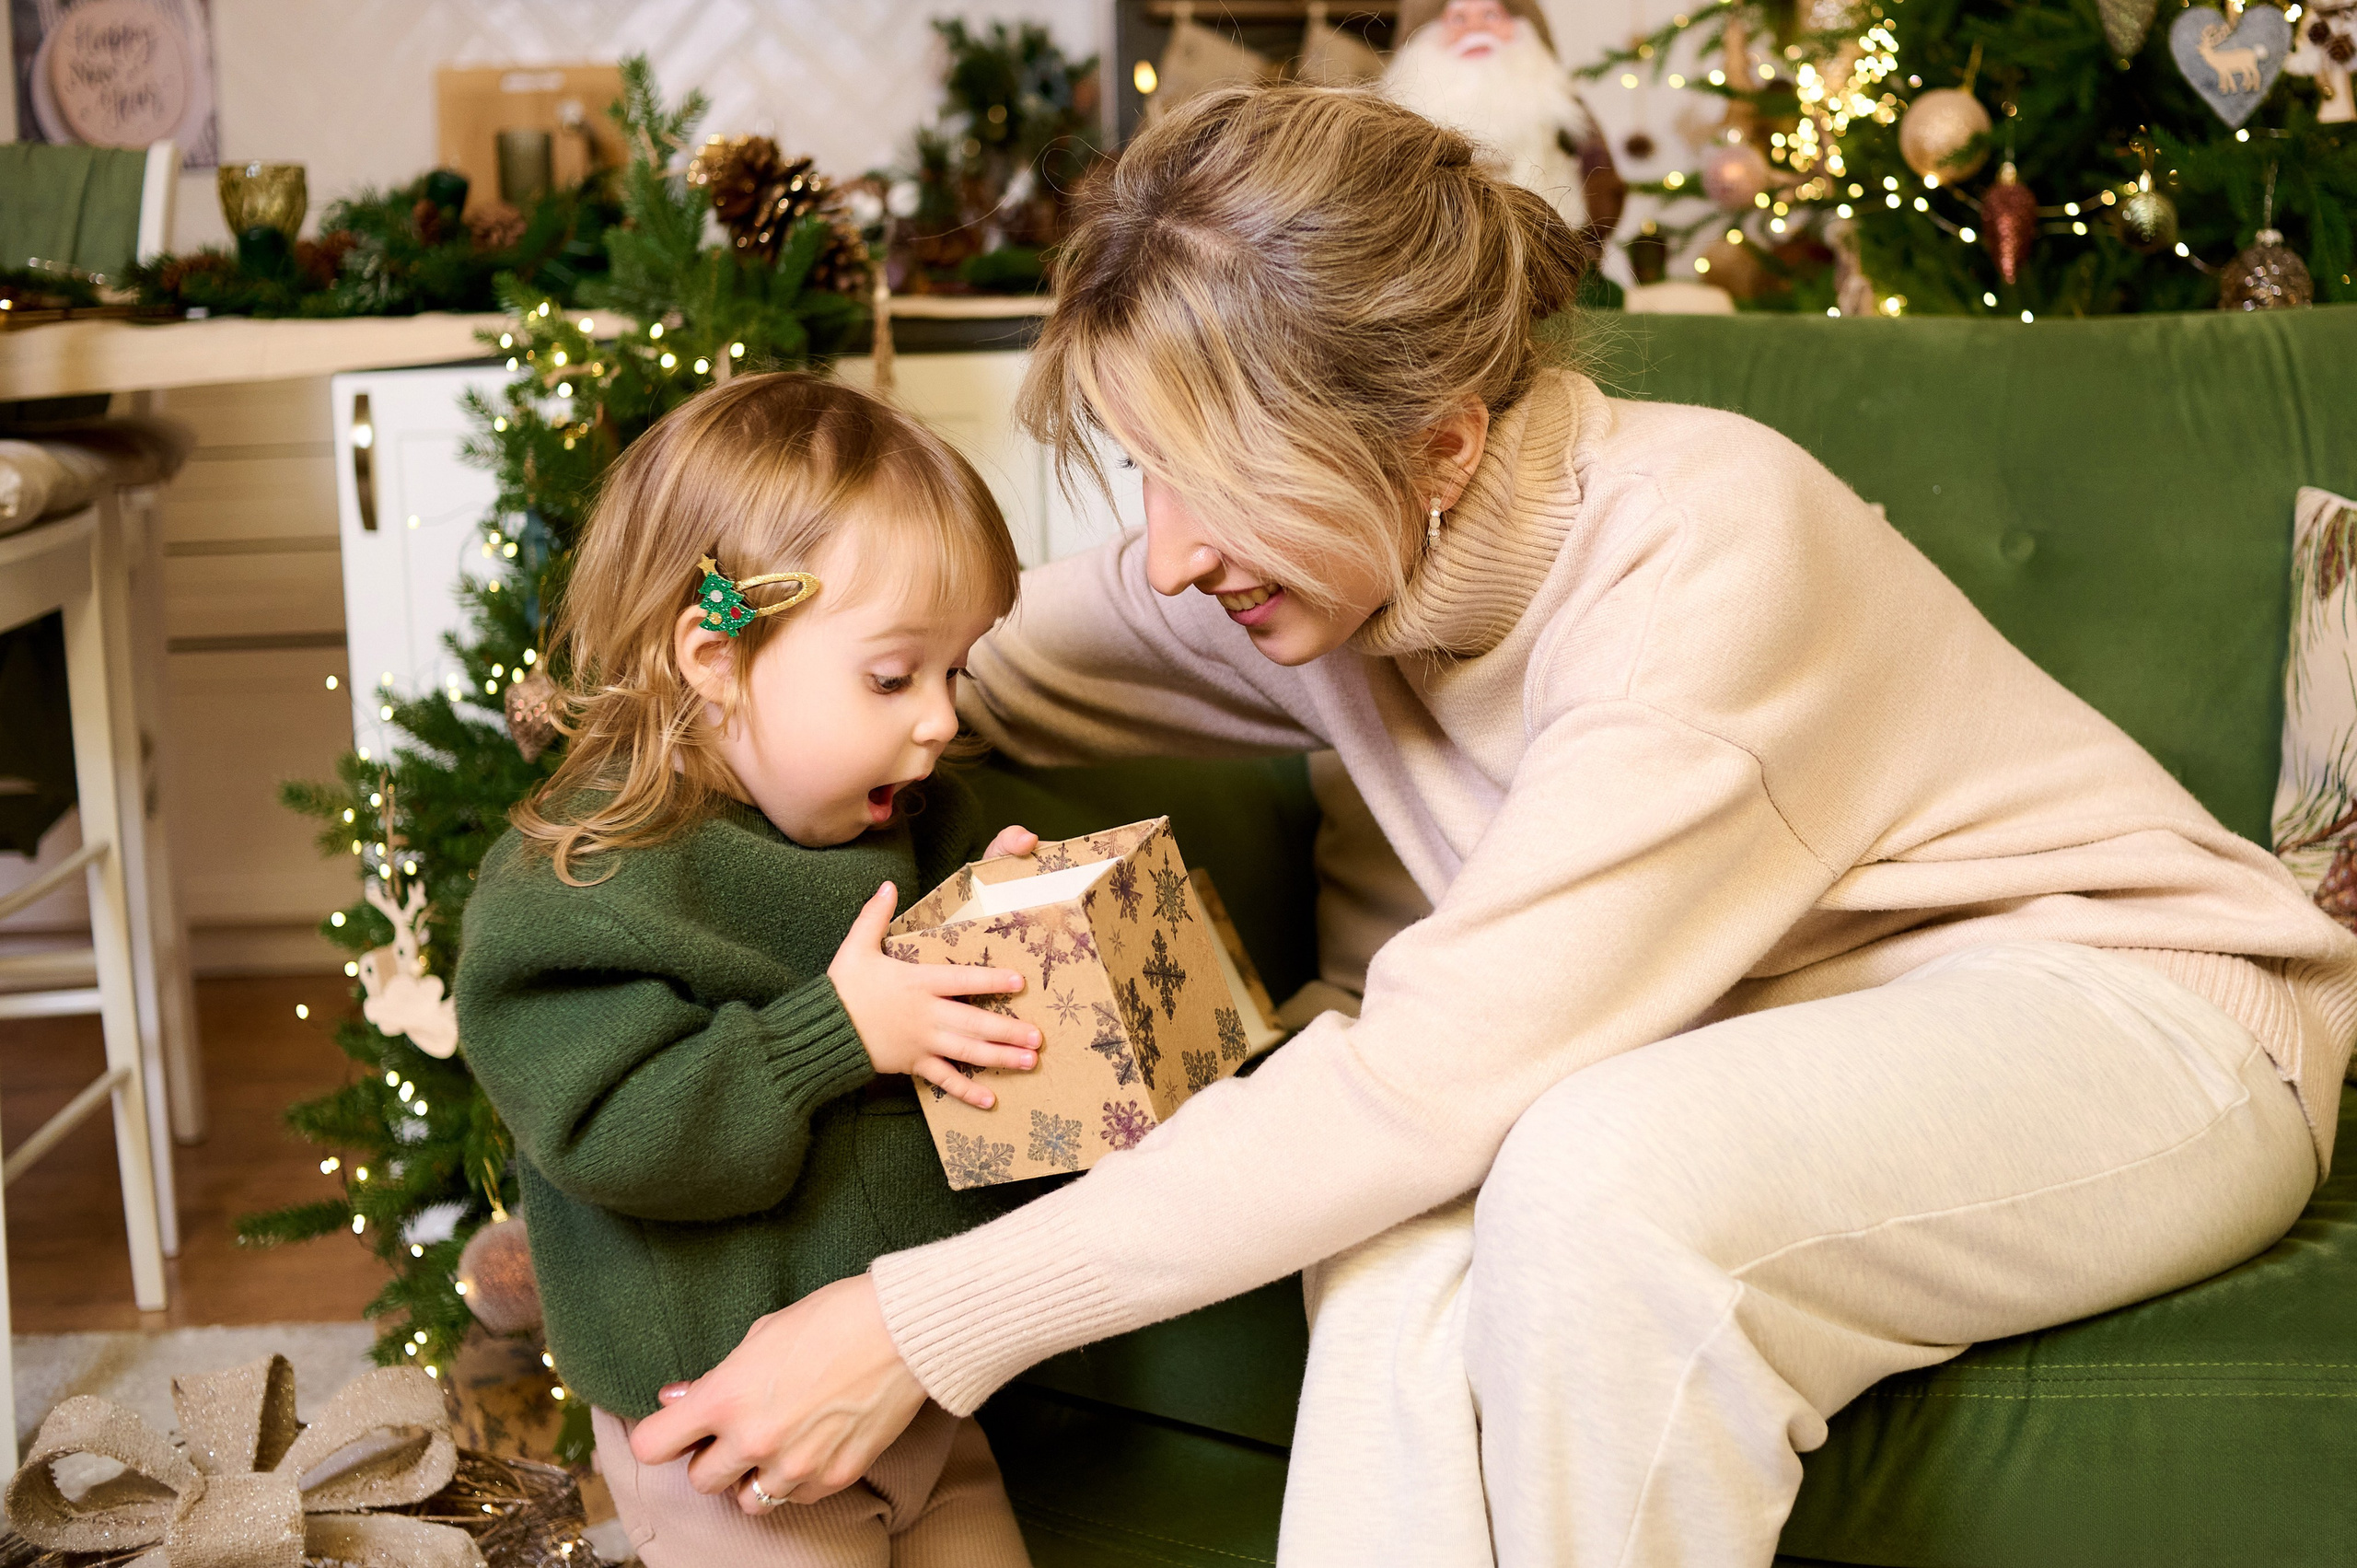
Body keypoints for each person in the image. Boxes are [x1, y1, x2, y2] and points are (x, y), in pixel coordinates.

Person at [630, 89, 2357, 1567]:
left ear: (1442, 442)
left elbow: (1417, 1084)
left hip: (2139, 1021)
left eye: (1211, 487)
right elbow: (953, 670)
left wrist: (917, 1328)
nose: (1164, 556)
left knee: (1600, 1182)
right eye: (1144, 475)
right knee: (1382, 1245)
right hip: (1730, 1038)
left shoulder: (1702, 560)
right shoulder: (1307, 562)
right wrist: (657, 739)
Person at [454, 373, 1048, 1567]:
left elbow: (987, 1090)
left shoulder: (919, 820)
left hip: (924, 1394)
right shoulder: (585, 883)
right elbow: (617, 1129)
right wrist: (834, 1030)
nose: (937, 719)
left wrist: (1014, 941)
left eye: (954, 672)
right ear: (714, 656)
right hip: (733, 1440)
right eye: (891, 677)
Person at [1382, 0, 1622, 246]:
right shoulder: (1394, 125)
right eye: (1458, 19)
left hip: (1550, 250)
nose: (1475, 30)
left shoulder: (1561, 107)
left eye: (1491, 15)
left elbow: (1603, 183)